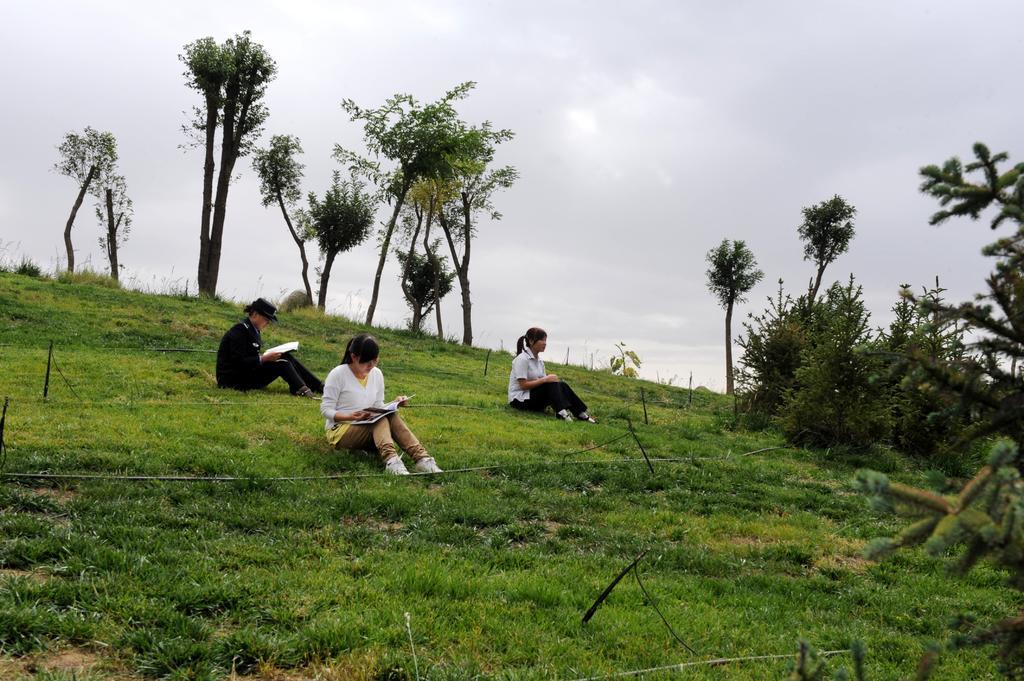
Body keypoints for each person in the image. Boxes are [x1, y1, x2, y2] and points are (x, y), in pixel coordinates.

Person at [320, 333, 442, 475]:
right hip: (341, 429)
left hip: (368, 424)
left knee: (390, 415)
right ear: (353, 357)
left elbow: (378, 405)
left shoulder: (376, 374)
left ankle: (422, 459)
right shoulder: (337, 374)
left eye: (375, 361)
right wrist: (350, 416)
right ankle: (391, 461)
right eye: (366, 362)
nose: (371, 366)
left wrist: (395, 403)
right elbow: (325, 409)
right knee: (380, 420)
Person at [216, 298, 323, 398]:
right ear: (255, 314)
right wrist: (263, 359)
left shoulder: (252, 330)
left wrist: (264, 358)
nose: (267, 323)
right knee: (282, 364)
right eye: (266, 319)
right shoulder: (239, 331)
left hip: (245, 374)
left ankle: (319, 386)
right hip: (232, 380)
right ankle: (301, 390)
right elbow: (238, 362)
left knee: (285, 356)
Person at [508, 327, 596, 422]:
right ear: (531, 341)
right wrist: (545, 379)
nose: (545, 343)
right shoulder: (522, 359)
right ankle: (561, 412)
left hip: (532, 398)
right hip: (519, 400)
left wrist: (548, 380)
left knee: (562, 385)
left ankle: (580, 413)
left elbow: (545, 386)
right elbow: (523, 385)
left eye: (545, 340)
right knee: (550, 383)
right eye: (542, 340)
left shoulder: (540, 361)